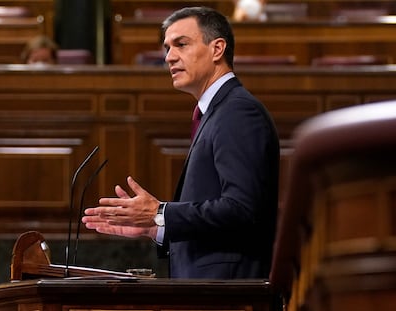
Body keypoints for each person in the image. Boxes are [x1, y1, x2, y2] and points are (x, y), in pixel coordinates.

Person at [82, 6, 280, 279]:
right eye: (167, 48)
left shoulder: (237, 112)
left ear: (217, 49)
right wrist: (156, 227)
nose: (169, 57)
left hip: (228, 295)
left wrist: (159, 212)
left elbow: (242, 209)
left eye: (181, 45)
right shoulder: (216, 112)